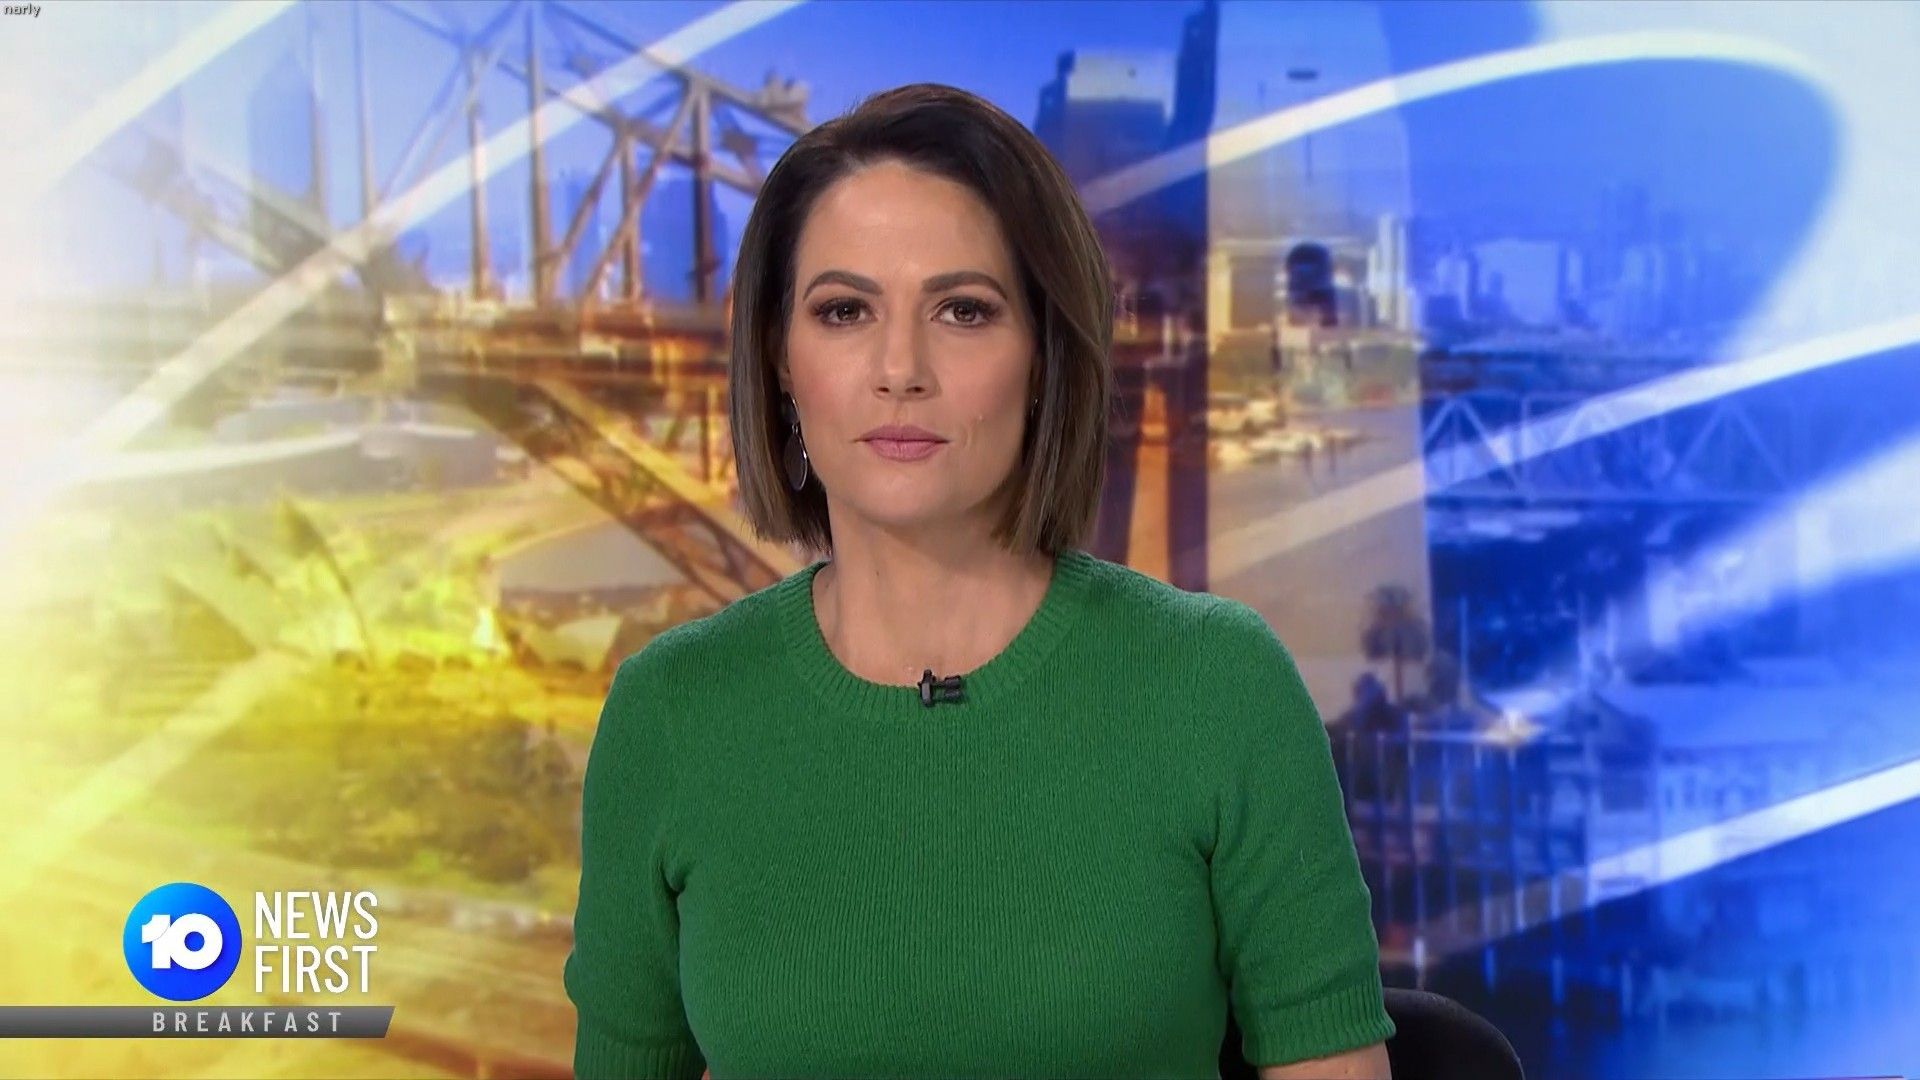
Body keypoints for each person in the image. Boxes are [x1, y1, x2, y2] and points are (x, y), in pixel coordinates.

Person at [562, 83, 1394, 1080]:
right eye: (843, 311)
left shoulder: (1217, 685)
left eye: (963, 311)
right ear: (780, 360)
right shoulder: (671, 713)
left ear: (1043, 353)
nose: (899, 368)